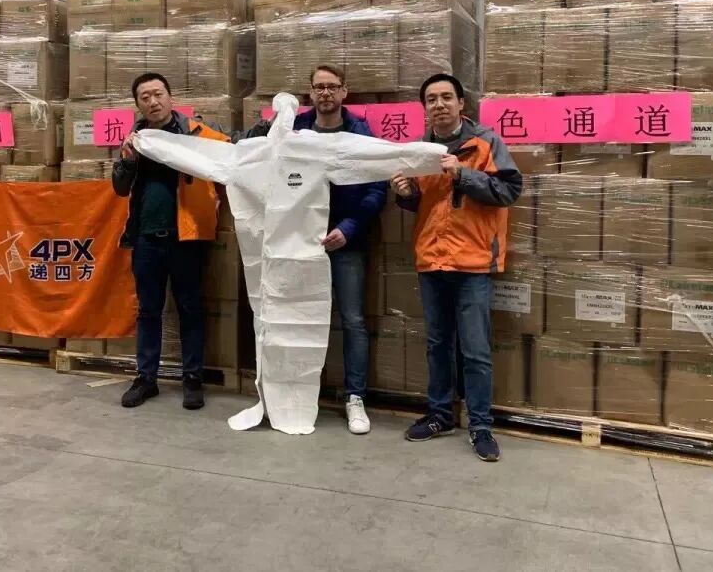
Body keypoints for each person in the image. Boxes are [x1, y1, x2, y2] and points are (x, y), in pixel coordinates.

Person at [247, 65, 387, 435]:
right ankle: (294, 392)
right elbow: (254, 158)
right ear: (310, 93)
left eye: (332, 87)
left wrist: (349, 228)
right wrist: (270, 124)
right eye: (318, 87)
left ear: (344, 91)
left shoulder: (360, 133)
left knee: (352, 320)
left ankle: (355, 397)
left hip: (345, 242)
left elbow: (377, 189)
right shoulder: (293, 130)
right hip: (297, 243)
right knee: (292, 316)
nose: (325, 93)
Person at [391, 73, 522, 462]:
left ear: (461, 104)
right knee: (438, 344)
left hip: (472, 262)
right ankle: (440, 415)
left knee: (475, 349)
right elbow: (426, 204)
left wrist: (462, 173)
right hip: (432, 260)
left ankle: (480, 425)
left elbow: (509, 190)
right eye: (431, 99)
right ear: (424, 108)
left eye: (446, 97)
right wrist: (405, 193)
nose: (439, 104)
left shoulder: (485, 143)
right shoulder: (420, 151)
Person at [112, 72, 230, 411]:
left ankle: (192, 379)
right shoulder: (136, 141)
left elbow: (229, 153)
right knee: (148, 311)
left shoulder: (195, 133)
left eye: (158, 94)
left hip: (187, 239)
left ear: (170, 97)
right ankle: (145, 379)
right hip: (147, 238)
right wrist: (127, 162)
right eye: (145, 97)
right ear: (138, 104)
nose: (153, 101)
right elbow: (120, 188)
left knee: (190, 309)